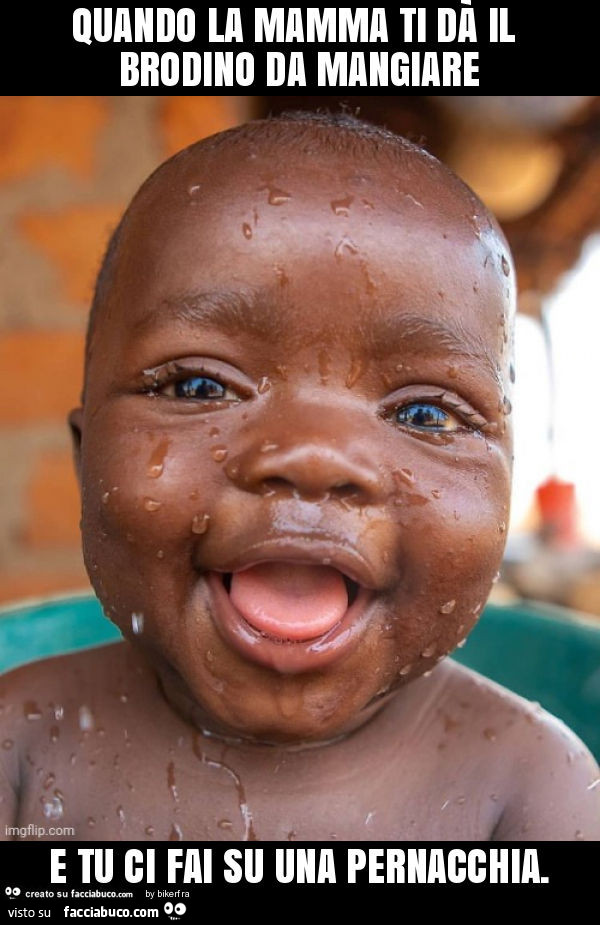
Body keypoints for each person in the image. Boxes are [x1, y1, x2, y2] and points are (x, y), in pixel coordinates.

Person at [1, 112, 598, 841]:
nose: (314, 456)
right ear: (83, 456)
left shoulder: (533, 791)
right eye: (198, 386)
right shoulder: (21, 750)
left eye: (422, 414)